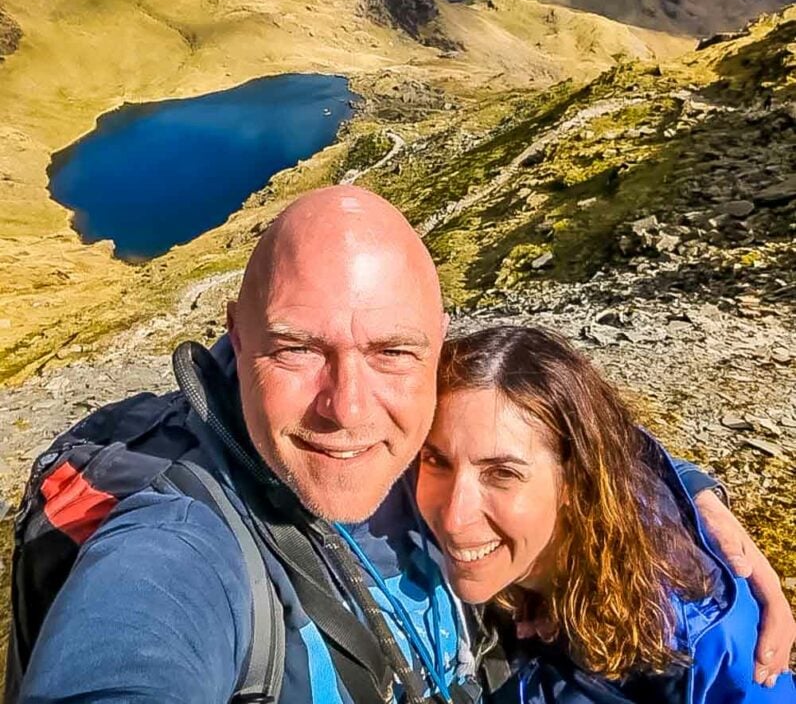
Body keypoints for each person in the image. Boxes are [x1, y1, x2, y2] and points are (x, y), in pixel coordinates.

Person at [9, 188, 795, 703]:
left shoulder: (427, 437)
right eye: (296, 348)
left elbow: (552, 429)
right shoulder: (180, 539)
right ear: (237, 337)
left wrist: (690, 492)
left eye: (391, 352)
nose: (347, 411)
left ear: (434, 351)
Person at [416, 325, 796, 702]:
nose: (454, 518)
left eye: (503, 474)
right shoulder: (407, 496)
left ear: (576, 478)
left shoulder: (699, 626)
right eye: (435, 460)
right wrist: (698, 489)